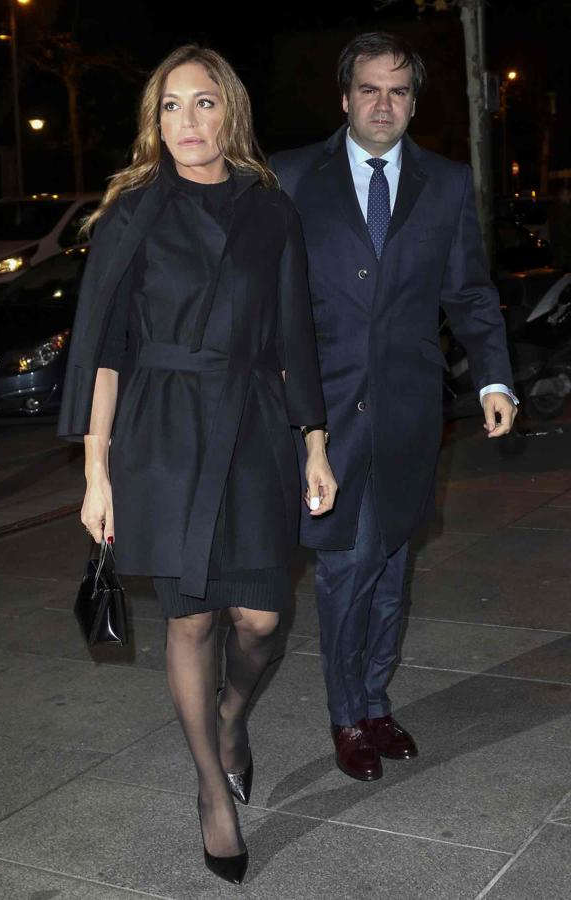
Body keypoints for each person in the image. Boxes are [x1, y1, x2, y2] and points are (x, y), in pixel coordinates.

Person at [56, 44, 337, 886]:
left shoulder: (269, 210)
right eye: (171, 105)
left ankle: (231, 715)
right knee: (191, 622)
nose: (187, 120)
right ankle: (213, 792)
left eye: (204, 102)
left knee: (261, 620)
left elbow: (294, 336)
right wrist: (96, 472)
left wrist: (314, 443)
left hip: (252, 426)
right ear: (156, 120)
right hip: (164, 433)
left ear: (230, 112)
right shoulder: (133, 213)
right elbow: (103, 353)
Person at [269, 31, 518, 782]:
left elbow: (468, 292)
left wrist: (494, 379)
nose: (384, 104)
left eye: (399, 91)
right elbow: (263, 297)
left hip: (409, 413)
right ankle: (348, 714)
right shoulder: (290, 176)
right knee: (346, 564)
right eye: (370, 89)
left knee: (391, 563)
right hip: (322, 412)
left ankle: (375, 703)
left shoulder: (445, 182)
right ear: (345, 98)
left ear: (414, 103)